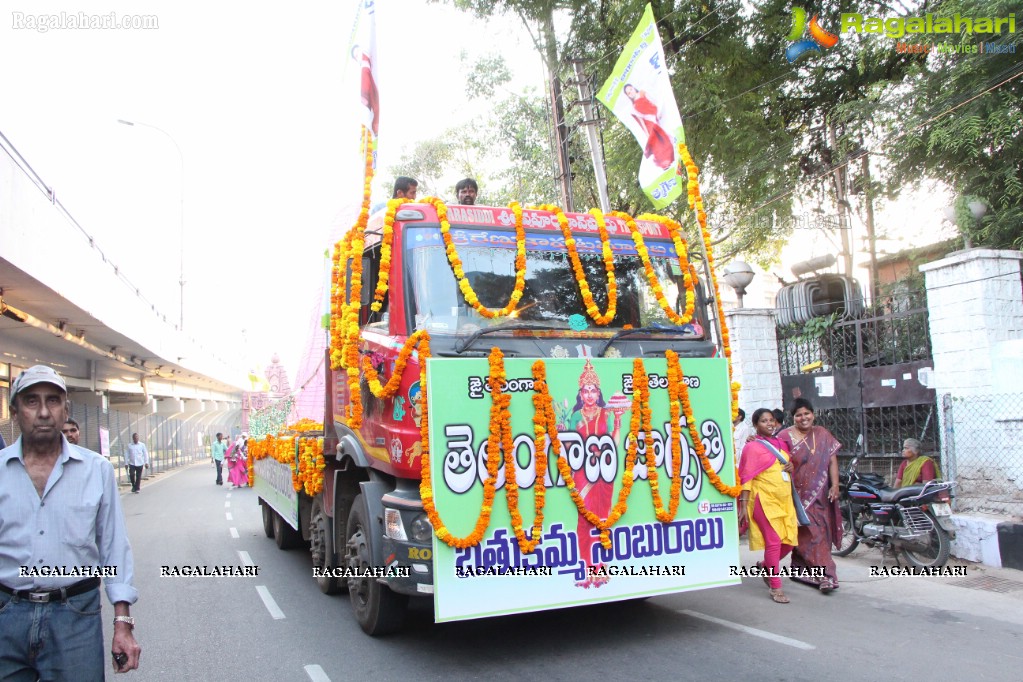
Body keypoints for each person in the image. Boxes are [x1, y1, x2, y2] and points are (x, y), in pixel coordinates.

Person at [0, 365, 141, 677]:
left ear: (66, 409)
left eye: (53, 401)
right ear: (15, 411)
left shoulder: (96, 470)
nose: (44, 412)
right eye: (31, 401)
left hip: (75, 617)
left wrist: (123, 623)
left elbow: (113, 546)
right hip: (6, 614)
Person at [564, 360, 623, 588]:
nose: (589, 395)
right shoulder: (575, 416)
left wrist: (617, 423)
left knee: (602, 516)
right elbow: (570, 446)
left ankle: (601, 565)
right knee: (584, 518)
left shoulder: (606, 414)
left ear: (598, 393)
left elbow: (612, 444)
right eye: (586, 391)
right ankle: (587, 565)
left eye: (593, 390)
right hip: (582, 472)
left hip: (603, 473)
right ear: (581, 393)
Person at [779, 397, 843, 593]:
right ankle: (825, 576)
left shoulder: (822, 434)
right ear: (794, 417)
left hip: (820, 494)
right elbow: (770, 452)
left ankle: (804, 570)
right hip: (796, 496)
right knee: (809, 535)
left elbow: (832, 461)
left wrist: (835, 485)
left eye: (807, 413)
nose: (803, 418)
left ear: (813, 415)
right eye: (799, 415)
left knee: (820, 535)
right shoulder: (784, 436)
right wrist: (753, 439)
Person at [738, 409, 799, 604]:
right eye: (764, 421)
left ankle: (765, 565)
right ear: (756, 425)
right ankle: (775, 586)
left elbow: (787, 467)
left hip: (784, 500)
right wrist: (743, 505)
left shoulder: (781, 444)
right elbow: (746, 477)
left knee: (788, 542)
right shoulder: (752, 447)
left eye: (771, 420)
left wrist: (791, 467)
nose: (769, 424)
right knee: (773, 542)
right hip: (762, 500)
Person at [622, 83, 674, 169]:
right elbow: (642, 122)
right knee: (657, 144)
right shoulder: (634, 108)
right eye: (628, 93)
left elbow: (653, 101)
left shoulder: (642, 93)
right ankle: (664, 164)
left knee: (664, 139)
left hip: (656, 116)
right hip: (649, 124)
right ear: (628, 96)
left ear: (633, 88)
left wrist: (658, 112)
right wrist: (647, 134)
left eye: (630, 89)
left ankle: (669, 158)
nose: (630, 92)